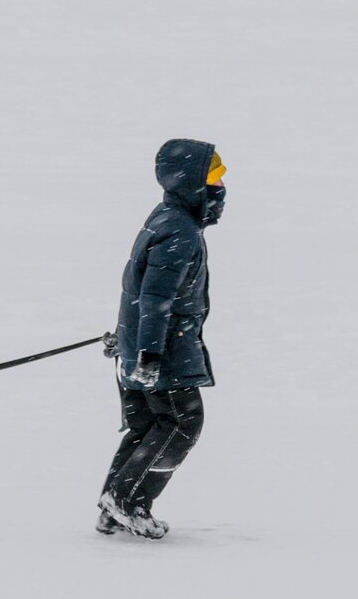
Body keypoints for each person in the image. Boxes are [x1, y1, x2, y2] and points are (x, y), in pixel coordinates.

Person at [97, 139, 226, 539]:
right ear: (190, 181)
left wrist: (129, 338)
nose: (220, 186)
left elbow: (139, 289)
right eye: (213, 176)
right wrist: (149, 353)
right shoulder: (179, 232)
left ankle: (114, 506)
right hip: (164, 349)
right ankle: (127, 501)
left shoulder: (167, 219)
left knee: (149, 427)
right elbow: (154, 298)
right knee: (182, 423)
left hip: (146, 344)